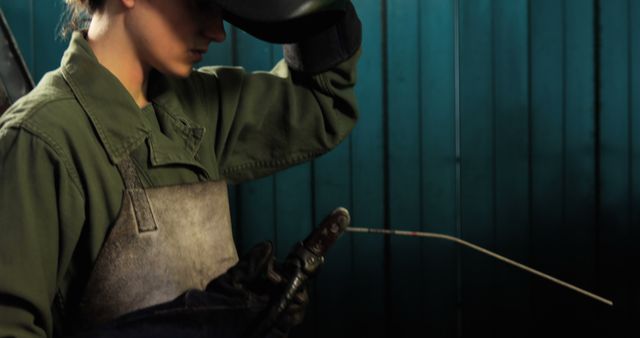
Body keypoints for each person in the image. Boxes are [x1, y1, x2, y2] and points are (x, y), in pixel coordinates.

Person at [0, 0, 361, 337]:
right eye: (200, 3)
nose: (218, 31)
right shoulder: (39, 140)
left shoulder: (196, 111)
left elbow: (320, 101)